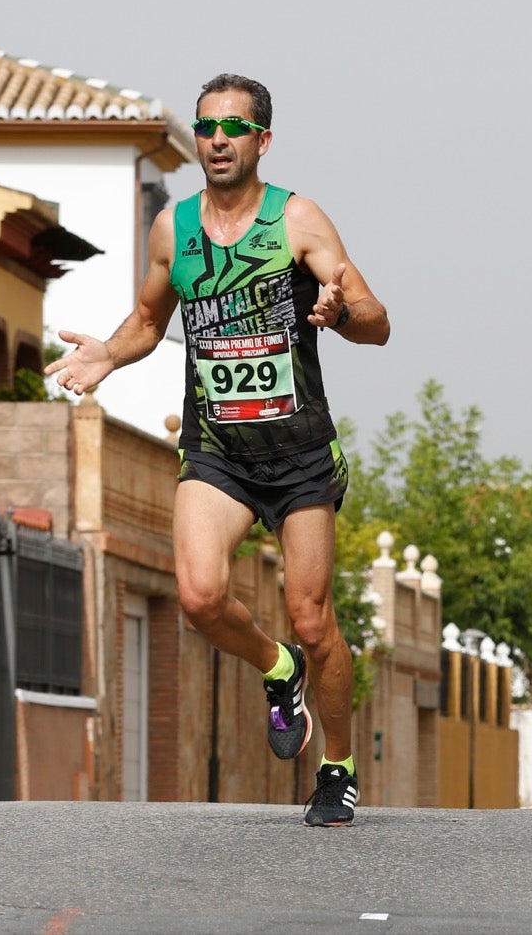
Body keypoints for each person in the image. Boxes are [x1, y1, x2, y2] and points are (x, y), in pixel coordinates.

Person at [45, 74, 390, 828]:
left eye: (234, 127)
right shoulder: (175, 229)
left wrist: (341, 312)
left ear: (263, 140)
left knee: (313, 615)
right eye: (206, 128)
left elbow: (377, 320)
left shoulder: (296, 219)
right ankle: (277, 669)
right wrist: (108, 352)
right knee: (199, 595)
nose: (218, 140)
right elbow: (147, 317)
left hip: (298, 450)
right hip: (218, 450)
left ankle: (336, 765)